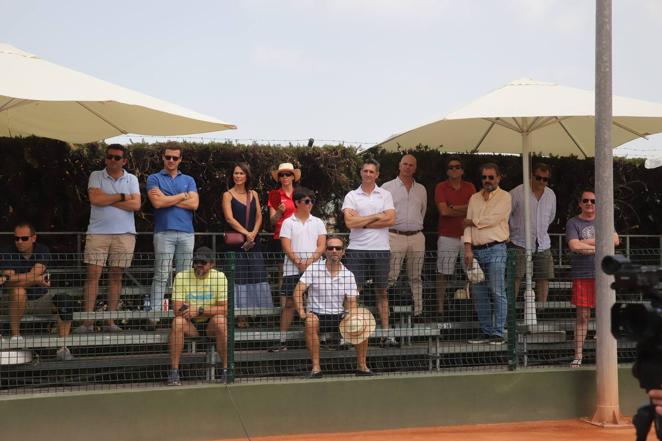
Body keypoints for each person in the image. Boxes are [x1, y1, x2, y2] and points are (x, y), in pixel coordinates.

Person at [75, 144, 141, 334]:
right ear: (106, 158)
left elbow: (136, 204)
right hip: (98, 233)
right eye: (110, 157)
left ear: (124, 161)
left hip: (125, 235)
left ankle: (110, 321)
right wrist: (121, 196)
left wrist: (108, 199)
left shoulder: (132, 178)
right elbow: (95, 200)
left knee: (116, 276)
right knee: (92, 275)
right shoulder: (96, 175)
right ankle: (87, 322)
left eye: (117, 157)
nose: (113, 160)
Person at [293, 236, 375, 378]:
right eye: (330, 248)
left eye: (338, 248)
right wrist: (302, 313)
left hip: (339, 315)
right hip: (316, 314)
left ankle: (361, 367)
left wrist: (353, 316)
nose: (334, 251)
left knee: (362, 323)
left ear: (343, 252)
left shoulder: (348, 275)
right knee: (310, 322)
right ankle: (316, 369)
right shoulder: (313, 269)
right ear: (325, 251)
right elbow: (297, 292)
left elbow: (351, 302)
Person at [0, 222, 74, 360]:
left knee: (65, 301)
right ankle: (16, 337)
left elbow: (12, 277)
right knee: (18, 291)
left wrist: (16, 278)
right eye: (16, 238)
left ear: (33, 238)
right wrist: (36, 279)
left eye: (24, 238)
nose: (19, 242)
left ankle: (63, 347)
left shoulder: (42, 250)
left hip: (40, 299)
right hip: (13, 301)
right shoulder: (7, 251)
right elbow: (9, 283)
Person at [342, 159, 396, 346]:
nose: (368, 174)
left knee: (382, 291)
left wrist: (361, 221)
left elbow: (390, 220)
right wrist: (375, 216)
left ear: (377, 174)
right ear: (361, 173)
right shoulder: (351, 195)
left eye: (371, 171)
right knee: (353, 292)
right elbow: (349, 223)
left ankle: (386, 334)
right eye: (365, 171)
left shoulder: (385, 195)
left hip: (381, 249)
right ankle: (349, 334)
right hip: (356, 250)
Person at [146, 144, 199, 322]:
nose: (171, 160)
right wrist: (182, 196)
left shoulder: (189, 179)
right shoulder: (154, 178)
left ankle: (182, 315)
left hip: (186, 233)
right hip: (164, 233)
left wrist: (167, 197)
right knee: (161, 274)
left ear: (180, 160)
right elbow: (157, 204)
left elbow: (194, 205)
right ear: (163, 157)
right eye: (168, 157)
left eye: (175, 158)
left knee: (184, 275)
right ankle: (154, 315)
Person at [269, 186, 326, 352]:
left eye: (312, 201)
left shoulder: (318, 222)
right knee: (289, 304)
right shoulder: (288, 222)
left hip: (315, 269)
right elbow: (285, 245)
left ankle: (320, 338)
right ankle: (282, 340)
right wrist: (298, 261)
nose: (310, 204)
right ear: (297, 202)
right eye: (307, 201)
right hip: (292, 269)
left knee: (317, 304)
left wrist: (308, 261)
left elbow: (322, 245)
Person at [566, 190, 619, 367]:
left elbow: (615, 240)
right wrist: (600, 245)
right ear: (580, 203)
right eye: (585, 201)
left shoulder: (604, 219)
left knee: (605, 315)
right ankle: (578, 355)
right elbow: (574, 245)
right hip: (582, 274)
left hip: (604, 274)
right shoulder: (573, 222)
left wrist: (585, 243)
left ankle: (607, 356)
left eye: (593, 201)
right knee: (583, 316)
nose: (589, 203)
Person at [463, 163, 511, 345]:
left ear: (498, 178)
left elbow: (494, 218)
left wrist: (472, 221)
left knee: (497, 290)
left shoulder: (505, 197)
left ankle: (498, 332)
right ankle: (486, 332)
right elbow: (467, 226)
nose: (487, 180)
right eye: (484, 177)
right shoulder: (474, 198)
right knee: (479, 293)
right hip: (476, 250)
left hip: (496, 248)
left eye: (491, 177)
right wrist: (467, 247)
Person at [221, 162, 272, 328]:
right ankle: (240, 316)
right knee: (239, 278)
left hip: (253, 242)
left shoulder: (254, 194)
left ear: (247, 176)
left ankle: (261, 314)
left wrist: (253, 234)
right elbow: (229, 218)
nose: (238, 176)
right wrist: (246, 233)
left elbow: (259, 216)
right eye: (235, 173)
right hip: (236, 243)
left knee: (257, 275)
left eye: (241, 173)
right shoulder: (227, 195)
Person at [167, 247, 228, 386]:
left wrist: (199, 310)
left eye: (203, 262)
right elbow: (177, 309)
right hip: (190, 322)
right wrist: (192, 311)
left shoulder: (220, 277)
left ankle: (226, 369)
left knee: (221, 321)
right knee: (177, 322)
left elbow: (225, 309)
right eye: (196, 262)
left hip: (210, 322)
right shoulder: (181, 276)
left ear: (212, 264)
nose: (198, 265)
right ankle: (174, 372)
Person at [382, 154, 427, 321]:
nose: (408, 167)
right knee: (391, 276)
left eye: (411, 165)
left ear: (415, 168)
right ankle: (389, 312)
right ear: (399, 166)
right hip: (395, 235)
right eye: (405, 164)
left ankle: (417, 312)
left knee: (416, 276)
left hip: (416, 236)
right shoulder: (387, 187)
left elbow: (423, 211)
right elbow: (382, 213)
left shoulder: (421, 189)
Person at [434, 157, 476, 317]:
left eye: (457, 167)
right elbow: (444, 211)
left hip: (467, 236)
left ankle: (474, 308)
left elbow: (474, 209)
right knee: (442, 272)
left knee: (472, 273)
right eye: (451, 167)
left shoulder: (470, 187)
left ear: (462, 170)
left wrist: (454, 207)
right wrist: (464, 210)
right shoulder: (441, 187)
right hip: (447, 236)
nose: (454, 169)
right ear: (447, 171)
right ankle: (440, 309)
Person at [509, 163, 556, 303]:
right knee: (515, 277)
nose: (541, 181)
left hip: (542, 243)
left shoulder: (551, 194)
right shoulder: (516, 192)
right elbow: (506, 215)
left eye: (545, 179)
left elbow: (551, 217)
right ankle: (510, 313)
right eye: (538, 178)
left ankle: (541, 311)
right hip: (519, 242)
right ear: (531, 176)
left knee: (544, 277)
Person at [267, 162, 300, 332]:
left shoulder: (300, 194)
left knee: (302, 276)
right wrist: (279, 212)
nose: (285, 177)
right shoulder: (274, 194)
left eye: (288, 174)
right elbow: (272, 222)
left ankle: (300, 312)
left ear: (293, 176)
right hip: (280, 238)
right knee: (283, 275)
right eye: (282, 175)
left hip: (300, 240)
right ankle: (285, 311)